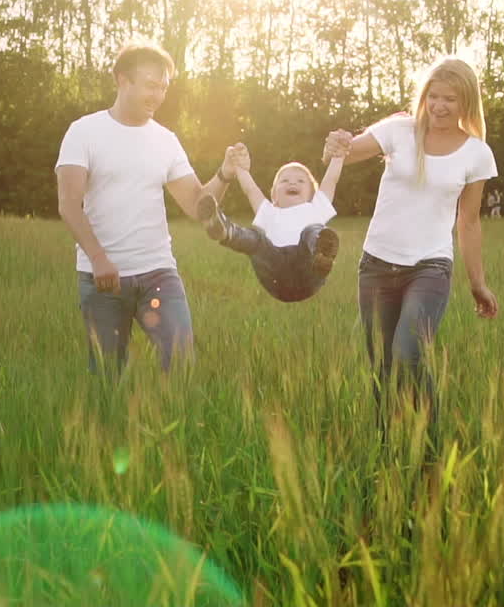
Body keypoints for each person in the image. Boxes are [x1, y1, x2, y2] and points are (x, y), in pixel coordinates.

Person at [324, 56, 499, 440]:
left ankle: (432, 448)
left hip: (430, 268)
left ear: (466, 102)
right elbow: (346, 153)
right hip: (376, 265)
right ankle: (388, 449)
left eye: (449, 99)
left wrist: (478, 283)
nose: (439, 105)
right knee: (383, 367)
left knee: (408, 352)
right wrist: (336, 144)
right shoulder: (399, 130)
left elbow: (468, 221)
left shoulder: (476, 154)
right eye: (433, 96)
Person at [55, 40, 237, 373]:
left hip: (158, 273)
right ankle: (113, 426)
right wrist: (99, 258)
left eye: (164, 87)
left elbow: (197, 206)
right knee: (107, 379)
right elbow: (68, 204)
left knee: (181, 363)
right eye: (151, 85)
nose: (158, 95)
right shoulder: (84, 132)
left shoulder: (165, 140)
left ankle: (174, 423)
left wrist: (225, 174)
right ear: (123, 80)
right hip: (103, 278)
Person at [195, 142, 347, 302]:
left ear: (312, 194)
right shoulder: (269, 211)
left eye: (301, 181)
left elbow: (331, 180)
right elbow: (250, 189)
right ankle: (227, 231)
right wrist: (239, 166)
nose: (292, 183)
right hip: (274, 271)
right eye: (284, 181)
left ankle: (321, 251)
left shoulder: (316, 208)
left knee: (313, 229)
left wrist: (339, 155)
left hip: (308, 269)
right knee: (257, 238)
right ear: (274, 195)